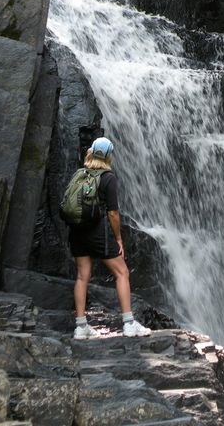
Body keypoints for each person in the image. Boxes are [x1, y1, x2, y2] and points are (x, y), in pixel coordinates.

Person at [68, 136, 151, 339]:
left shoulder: (80, 174)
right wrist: (119, 239)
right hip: (98, 233)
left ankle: (80, 327)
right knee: (122, 272)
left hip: (76, 231)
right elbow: (113, 213)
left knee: (81, 276)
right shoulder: (108, 177)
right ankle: (129, 323)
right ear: (108, 156)